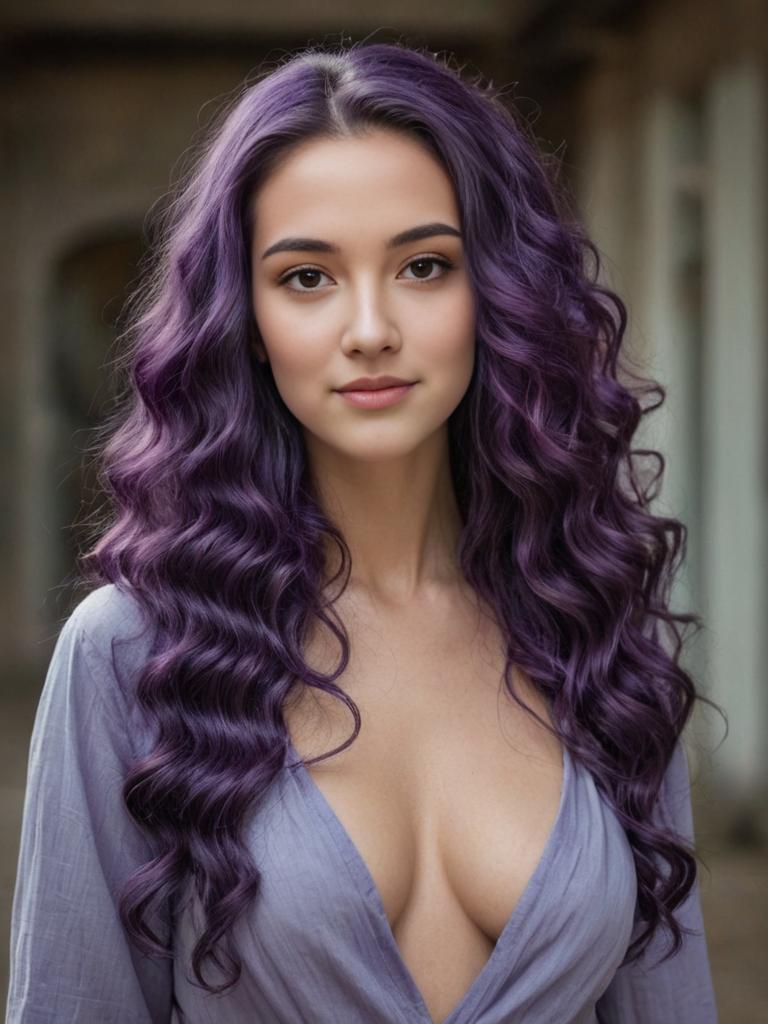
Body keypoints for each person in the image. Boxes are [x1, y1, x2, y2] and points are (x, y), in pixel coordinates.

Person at [6, 40, 721, 1023]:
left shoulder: (595, 635)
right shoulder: (136, 655)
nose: (371, 326)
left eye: (425, 265)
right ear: (247, 319)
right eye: (308, 277)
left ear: (496, 294)